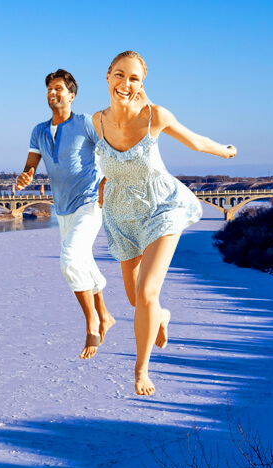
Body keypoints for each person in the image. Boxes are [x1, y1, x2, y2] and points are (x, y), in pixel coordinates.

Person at [91, 51, 237, 396]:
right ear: (107, 76)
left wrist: (226, 151)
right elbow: (90, 161)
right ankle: (161, 316)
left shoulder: (155, 116)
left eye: (134, 78)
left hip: (161, 206)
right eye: (119, 75)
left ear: (142, 84)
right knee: (135, 299)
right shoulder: (95, 122)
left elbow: (197, 142)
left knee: (146, 293)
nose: (125, 84)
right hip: (121, 213)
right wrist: (101, 182)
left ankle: (141, 370)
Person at [15, 69, 117, 360]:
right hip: (62, 208)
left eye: (58, 88)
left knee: (70, 259)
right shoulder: (39, 130)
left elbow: (112, 150)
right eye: (49, 88)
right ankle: (105, 314)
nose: (52, 93)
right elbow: (31, 165)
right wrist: (26, 176)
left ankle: (92, 324)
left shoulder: (86, 123)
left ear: (71, 94)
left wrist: (107, 181)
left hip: (89, 203)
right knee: (82, 260)